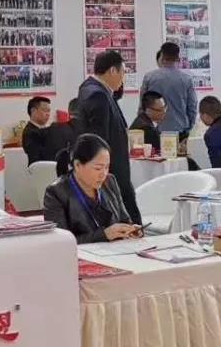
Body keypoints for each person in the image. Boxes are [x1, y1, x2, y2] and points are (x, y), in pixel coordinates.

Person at [77, 50, 141, 224]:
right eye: (123, 72)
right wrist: (103, 172)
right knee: (126, 220)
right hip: (111, 172)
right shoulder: (98, 95)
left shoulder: (91, 89)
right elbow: (99, 141)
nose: (123, 78)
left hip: (110, 170)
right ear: (112, 70)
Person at [43, 134, 140, 244]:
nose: (103, 174)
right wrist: (104, 235)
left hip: (116, 250)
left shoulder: (110, 181)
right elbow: (60, 242)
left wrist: (131, 230)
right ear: (77, 165)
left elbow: (125, 220)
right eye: (98, 168)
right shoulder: (56, 193)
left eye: (107, 167)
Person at [140, 42, 198, 137]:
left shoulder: (149, 77)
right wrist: (189, 127)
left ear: (162, 57)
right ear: (178, 59)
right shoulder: (187, 79)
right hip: (180, 130)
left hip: (155, 131)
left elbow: (142, 106)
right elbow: (192, 107)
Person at [22, 96, 54, 165]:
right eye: (44, 110)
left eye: (49, 111)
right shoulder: (29, 132)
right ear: (33, 111)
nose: (48, 114)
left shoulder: (45, 130)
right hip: (39, 169)